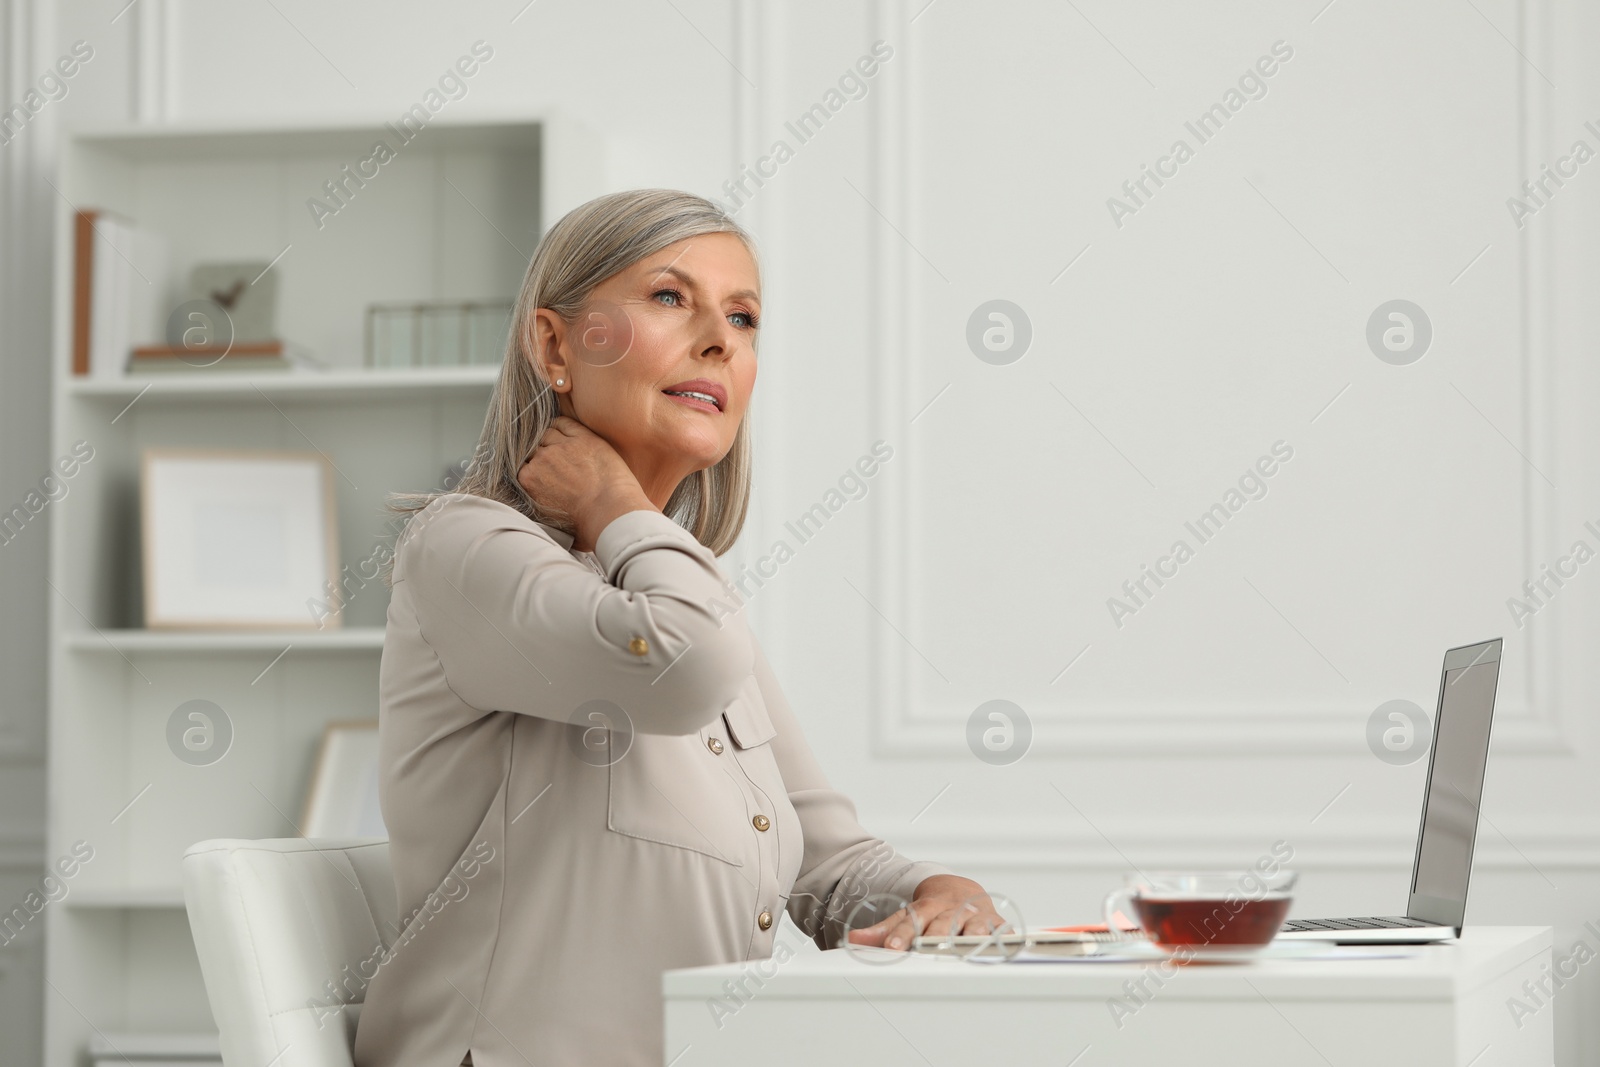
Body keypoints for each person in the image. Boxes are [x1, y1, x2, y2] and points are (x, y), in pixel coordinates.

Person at [353, 189, 1003, 1067]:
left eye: (743, 317)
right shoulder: (464, 548)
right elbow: (684, 666)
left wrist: (939, 891)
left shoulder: (679, 594)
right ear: (555, 344)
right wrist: (615, 499)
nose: (721, 340)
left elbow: (825, 862)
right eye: (670, 297)